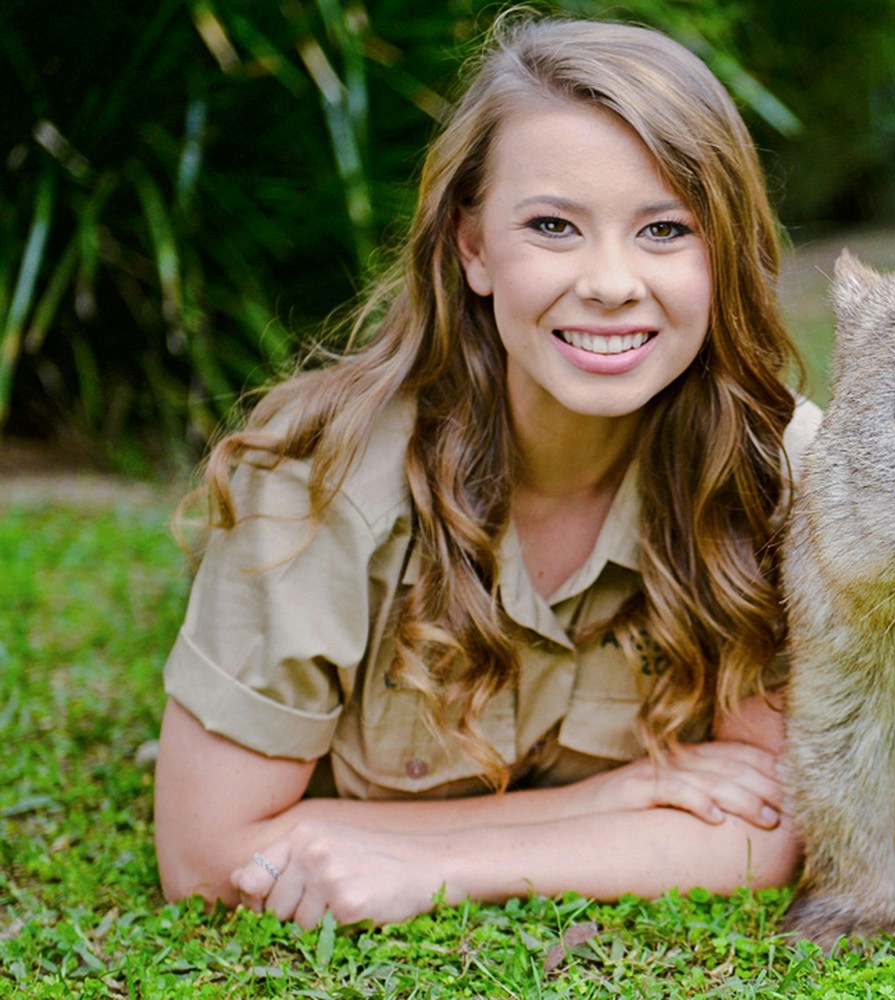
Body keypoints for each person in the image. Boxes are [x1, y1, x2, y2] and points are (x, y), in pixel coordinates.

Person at [153, 12, 820, 930]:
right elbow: (205, 854)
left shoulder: (779, 479)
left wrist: (442, 864)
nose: (612, 281)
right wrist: (599, 804)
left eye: (666, 229)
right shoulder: (320, 485)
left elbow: (770, 826)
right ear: (472, 247)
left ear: (726, 251)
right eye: (554, 226)